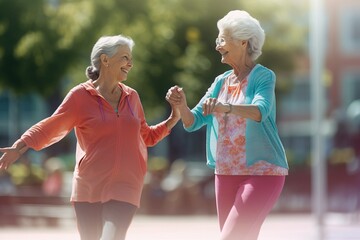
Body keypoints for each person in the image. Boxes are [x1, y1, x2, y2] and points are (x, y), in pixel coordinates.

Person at [0, 34, 180, 240]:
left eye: (130, 58)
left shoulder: (133, 97)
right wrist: (20, 145)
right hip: (89, 187)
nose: (130, 63)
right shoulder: (80, 96)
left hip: (126, 185)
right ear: (105, 60)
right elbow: (51, 125)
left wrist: (173, 117)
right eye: (124, 57)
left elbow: (146, 137)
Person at [166, 10, 289, 240]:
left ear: (243, 41)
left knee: (231, 237)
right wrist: (181, 105)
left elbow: (261, 111)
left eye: (222, 39)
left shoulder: (263, 77)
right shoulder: (220, 81)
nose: (217, 46)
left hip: (263, 172)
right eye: (218, 39)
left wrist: (227, 107)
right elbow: (192, 122)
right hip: (225, 172)